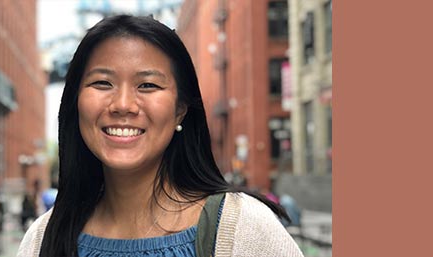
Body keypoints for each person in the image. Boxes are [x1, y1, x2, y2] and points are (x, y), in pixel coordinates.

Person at [18, 15, 303, 257]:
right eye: (102, 83)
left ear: (180, 110)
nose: (123, 105)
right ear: (75, 102)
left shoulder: (244, 229)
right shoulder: (42, 239)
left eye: (148, 85)